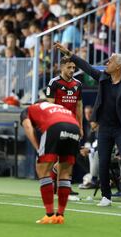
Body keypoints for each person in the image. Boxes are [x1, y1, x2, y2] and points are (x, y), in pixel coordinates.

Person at [54, 42, 121, 208]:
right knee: (103, 162)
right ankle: (106, 196)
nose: (107, 63)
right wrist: (70, 54)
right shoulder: (103, 78)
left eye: (110, 61)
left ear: (119, 67)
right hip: (104, 128)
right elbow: (86, 67)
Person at [20, 101, 80, 224]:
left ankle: (49, 215)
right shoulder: (58, 107)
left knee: (42, 168)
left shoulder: (29, 109)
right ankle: (60, 216)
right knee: (65, 172)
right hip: (75, 127)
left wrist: (38, 149)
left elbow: (27, 127)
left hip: (55, 126)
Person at [46, 55, 83, 196]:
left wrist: (80, 126)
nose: (72, 70)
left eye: (74, 67)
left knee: (70, 158)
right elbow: (50, 105)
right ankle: (55, 183)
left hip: (72, 125)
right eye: (69, 67)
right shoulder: (54, 83)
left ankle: (62, 184)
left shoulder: (78, 84)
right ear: (61, 67)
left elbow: (79, 106)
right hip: (58, 124)